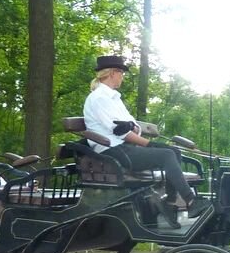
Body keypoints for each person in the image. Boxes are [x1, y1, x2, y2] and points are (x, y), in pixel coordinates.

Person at [83, 55, 205, 229]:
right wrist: (149, 144)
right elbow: (121, 131)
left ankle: (170, 203)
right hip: (113, 152)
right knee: (167, 154)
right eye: (121, 73)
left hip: (123, 147)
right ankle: (191, 201)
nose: (122, 77)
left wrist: (133, 129)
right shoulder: (99, 98)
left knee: (174, 152)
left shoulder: (113, 99)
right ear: (112, 73)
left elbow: (133, 126)